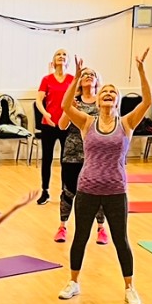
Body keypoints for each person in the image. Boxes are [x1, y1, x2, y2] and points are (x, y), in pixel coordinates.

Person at [56, 50, 152, 304]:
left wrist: (141, 70)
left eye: (113, 92)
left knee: (121, 239)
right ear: (97, 100)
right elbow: (66, 107)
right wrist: (76, 78)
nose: (108, 94)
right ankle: (73, 282)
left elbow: (147, 101)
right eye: (104, 92)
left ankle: (130, 287)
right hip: (87, 188)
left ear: (118, 101)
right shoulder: (87, 122)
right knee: (80, 237)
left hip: (116, 190)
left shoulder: (127, 123)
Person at [55, 67, 108, 246]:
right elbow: (62, 126)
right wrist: (69, 110)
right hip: (72, 153)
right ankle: (62, 226)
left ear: (96, 81)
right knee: (68, 191)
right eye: (84, 75)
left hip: (96, 155)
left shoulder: (103, 103)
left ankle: (101, 228)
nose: (88, 77)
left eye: (91, 74)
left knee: (99, 191)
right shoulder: (73, 101)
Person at [34, 49, 74, 205]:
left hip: (66, 125)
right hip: (49, 124)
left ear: (67, 61)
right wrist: (46, 114)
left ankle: (66, 191)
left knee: (66, 160)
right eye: (59, 54)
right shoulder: (47, 79)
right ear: (54, 59)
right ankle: (45, 191)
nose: (62, 56)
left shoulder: (72, 79)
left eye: (65, 55)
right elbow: (39, 101)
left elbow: (76, 100)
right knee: (47, 159)